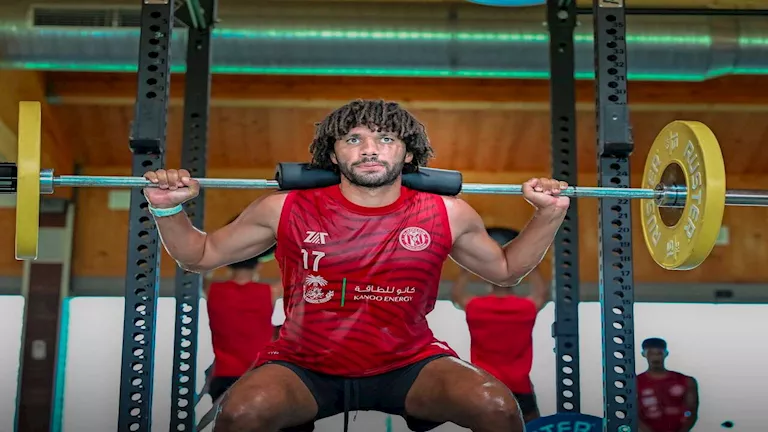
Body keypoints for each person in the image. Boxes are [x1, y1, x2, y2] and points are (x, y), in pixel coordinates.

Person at [142, 99, 570, 432]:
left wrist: (549, 214)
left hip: (409, 363)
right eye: (353, 139)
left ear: (407, 154)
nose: (369, 149)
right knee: (241, 414)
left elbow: (506, 270)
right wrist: (166, 209)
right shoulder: (284, 207)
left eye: (385, 139)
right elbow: (199, 256)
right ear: (333, 155)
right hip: (304, 365)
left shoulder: (448, 213)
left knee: (496, 407)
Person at [449, 228, 550, 424]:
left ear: (488, 280)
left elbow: (457, 295)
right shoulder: (524, 308)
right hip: (519, 385)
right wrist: (530, 263)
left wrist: (468, 267)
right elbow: (541, 294)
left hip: (486, 383)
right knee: (530, 426)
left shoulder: (477, 307)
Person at [202, 237, 282, 403]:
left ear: (227, 264)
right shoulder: (271, 292)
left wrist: (223, 252)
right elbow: (297, 273)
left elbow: (200, 267)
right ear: (259, 265)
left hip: (223, 378)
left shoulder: (211, 290)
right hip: (257, 375)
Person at [637, 338, 699, 432]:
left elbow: (692, 411)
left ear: (666, 354)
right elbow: (634, 413)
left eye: (659, 353)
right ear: (643, 354)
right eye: (651, 353)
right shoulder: (635, 383)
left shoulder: (686, 381)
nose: (655, 357)